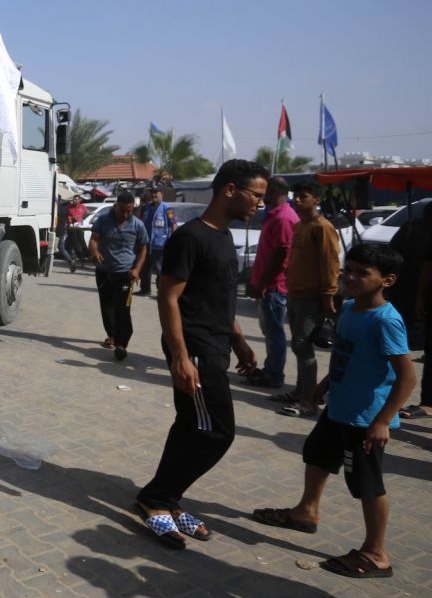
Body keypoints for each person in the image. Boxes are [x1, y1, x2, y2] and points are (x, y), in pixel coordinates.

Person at [252, 244, 415, 578]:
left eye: (362, 272)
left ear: (388, 280)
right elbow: (346, 357)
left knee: (366, 484)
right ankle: (305, 512)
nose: (351, 277)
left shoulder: (386, 321)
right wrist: (323, 386)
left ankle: (376, 552)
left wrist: (383, 420)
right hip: (338, 407)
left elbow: (407, 377)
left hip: (365, 419)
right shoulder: (351, 308)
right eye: (348, 270)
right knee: (317, 456)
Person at [134, 160, 267, 549]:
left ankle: (166, 499)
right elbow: (169, 298)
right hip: (195, 350)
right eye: (255, 195)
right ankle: (156, 498)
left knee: (190, 425)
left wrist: (239, 339)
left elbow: (220, 299)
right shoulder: (189, 237)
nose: (260, 202)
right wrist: (180, 357)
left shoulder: (223, 237)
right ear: (229, 190)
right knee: (217, 432)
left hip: (216, 345)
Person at [281, 182, 342, 416]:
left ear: (316, 200)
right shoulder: (300, 226)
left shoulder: (323, 227)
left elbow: (330, 264)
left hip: (311, 298)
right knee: (298, 346)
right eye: (295, 196)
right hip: (295, 294)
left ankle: (309, 400)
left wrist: (328, 297)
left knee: (303, 347)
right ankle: (300, 391)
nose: (297, 200)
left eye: (303, 196)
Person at [245, 176, 299, 389]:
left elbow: (282, 254)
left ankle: (274, 374)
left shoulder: (284, 217)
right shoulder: (275, 215)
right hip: (268, 285)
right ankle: (271, 369)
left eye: (264, 191)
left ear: (274, 191)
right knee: (270, 331)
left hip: (274, 287)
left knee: (274, 332)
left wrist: (263, 283)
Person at [87, 190, 148, 360]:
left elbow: (143, 249)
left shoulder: (137, 225)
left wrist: (137, 270)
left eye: (129, 210)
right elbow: (94, 240)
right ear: (116, 206)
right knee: (106, 307)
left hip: (125, 274)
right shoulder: (103, 220)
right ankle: (112, 335)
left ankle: (122, 343)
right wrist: (94, 252)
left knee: (123, 309)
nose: (126, 213)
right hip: (104, 272)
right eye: (123, 210)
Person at [393, 206, 432, 419]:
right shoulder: (413, 231)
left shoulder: (411, 228)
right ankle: (428, 403)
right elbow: (427, 266)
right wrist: (420, 296)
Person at [137, 186, 177, 296]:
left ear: (161, 194)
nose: (154, 195)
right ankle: (145, 289)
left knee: (160, 270)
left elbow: (174, 224)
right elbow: (138, 220)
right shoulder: (146, 207)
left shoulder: (167, 209)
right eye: (152, 193)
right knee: (145, 268)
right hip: (146, 244)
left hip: (160, 245)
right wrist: (141, 204)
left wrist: (171, 241)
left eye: (156, 193)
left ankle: (161, 292)